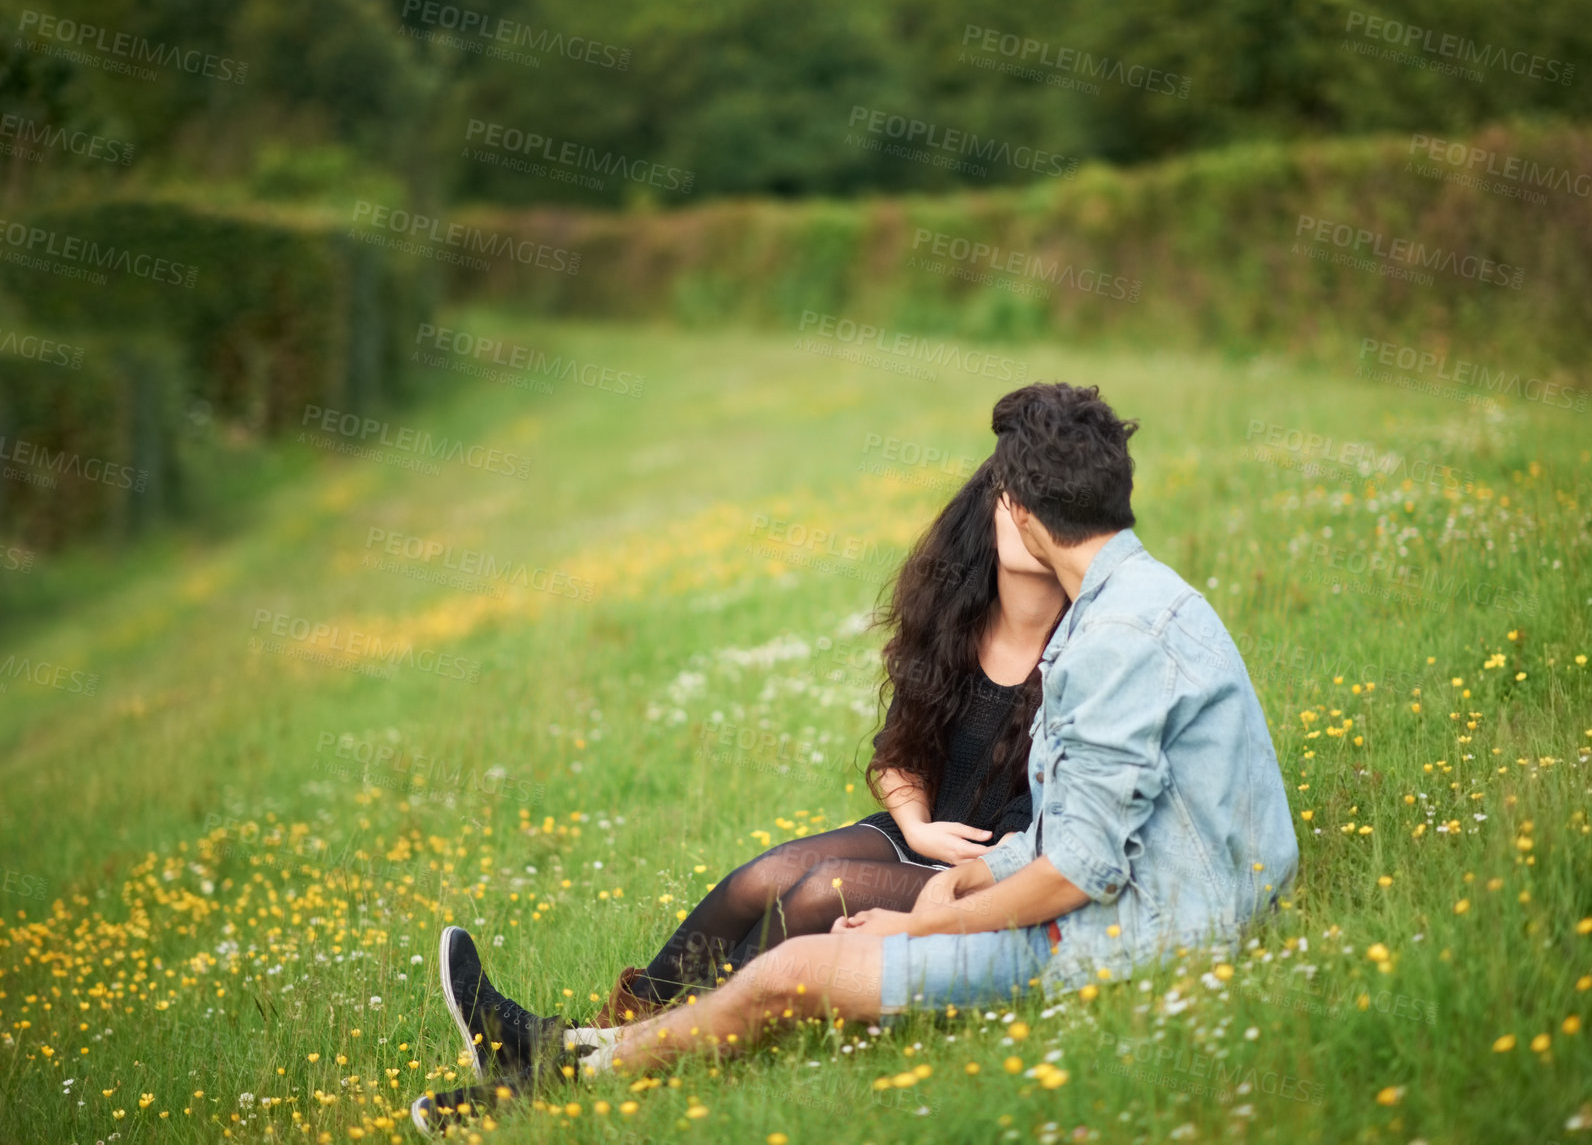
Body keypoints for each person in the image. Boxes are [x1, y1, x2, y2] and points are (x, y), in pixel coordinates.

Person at [411, 383, 1300, 1137]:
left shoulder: (1112, 634)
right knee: (780, 899)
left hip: (1138, 935)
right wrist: (975, 872)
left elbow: (1082, 868)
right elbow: (1076, 830)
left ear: (1022, 514)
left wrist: (916, 923)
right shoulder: (1135, 600)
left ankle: (563, 1073)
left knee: (795, 967)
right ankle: (567, 1063)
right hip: (1124, 891)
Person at [417, 458, 1068, 1118]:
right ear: (985, 514)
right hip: (926, 832)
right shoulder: (957, 621)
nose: (1025, 516)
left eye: (1046, 502)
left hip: (994, 874)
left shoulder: (1085, 646)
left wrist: (939, 887)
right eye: (1012, 498)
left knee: (820, 889)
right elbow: (896, 753)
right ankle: (611, 1027)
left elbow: (1050, 841)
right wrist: (919, 823)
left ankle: (582, 1060)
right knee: (766, 875)